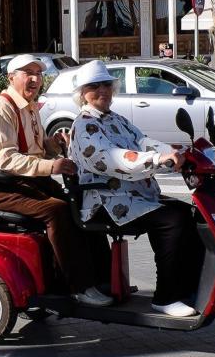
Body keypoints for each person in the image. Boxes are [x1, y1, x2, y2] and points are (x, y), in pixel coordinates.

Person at [68, 60, 205, 318]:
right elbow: (111, 158)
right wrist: (154, 160)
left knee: (191, 213)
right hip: (105, 201)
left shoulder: (115, 119)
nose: (102, 91)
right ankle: (166, 297)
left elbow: (141, 140)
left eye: (106, 85)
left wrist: (170, 151)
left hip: (132, 195)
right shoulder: (85, 125)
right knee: (171, 221)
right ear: (82, 94)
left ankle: (187, 285)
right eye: (94, 87)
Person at [0, 54, 112, 308]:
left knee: (83, 205)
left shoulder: (29, 106)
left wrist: (53, 144)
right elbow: (6, 159)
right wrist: (52, 165)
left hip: (27, 182)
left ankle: (103, 278)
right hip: (2, 185)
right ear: (11, 77)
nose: (34, 79)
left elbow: (32, 150)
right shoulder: (1, 108)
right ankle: (79, 286)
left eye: (38, 74)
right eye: (27, 73)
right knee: (57, 211)